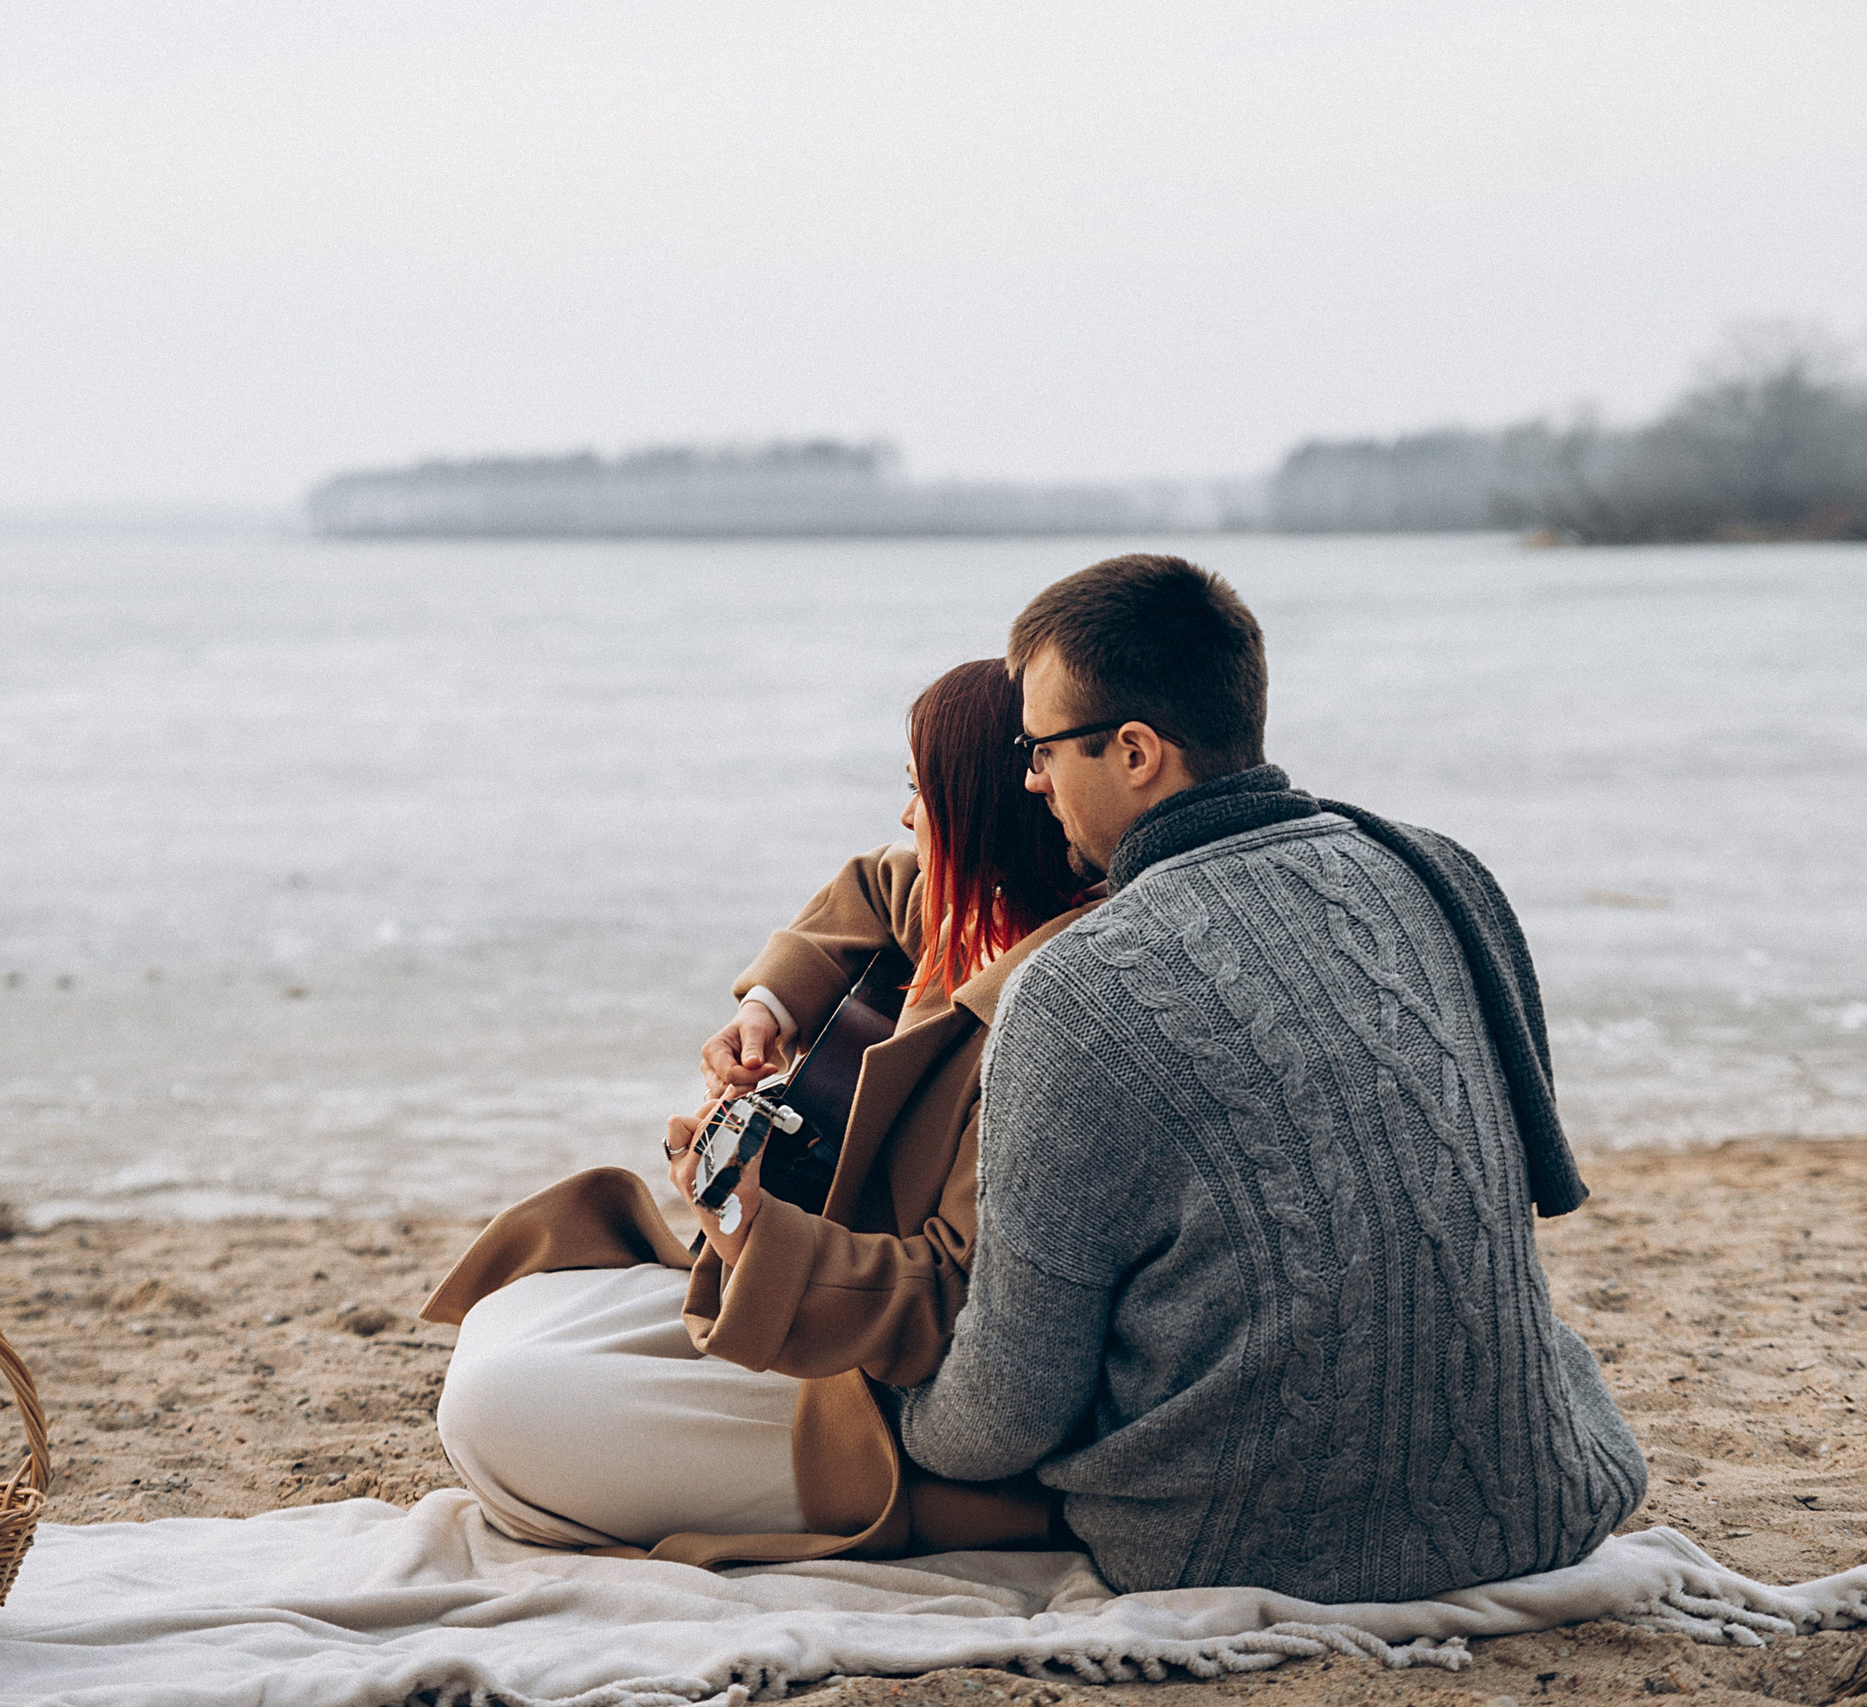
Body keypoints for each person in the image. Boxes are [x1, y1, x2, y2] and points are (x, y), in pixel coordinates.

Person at [897, 555, 1648, 1602]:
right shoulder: (1438, 870)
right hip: (1541, 1498)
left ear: (1134, 752)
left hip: (1241, 1545)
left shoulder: (1075, 992)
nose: (1031, 780)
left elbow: (1010, 1408)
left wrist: (904, 1412)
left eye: (1040, 751)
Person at [421, 658, 1091, 1565]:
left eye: (921, 791)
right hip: (820, 1309)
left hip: (881, 1404)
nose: (905, 817)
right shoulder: (985, 914)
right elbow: (873, 887)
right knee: (512, 1317)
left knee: (499, 1408)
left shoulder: (1049, 1023)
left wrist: (742, 1227)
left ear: (991, 809)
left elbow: (952, 1302)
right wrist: (766, 1010)